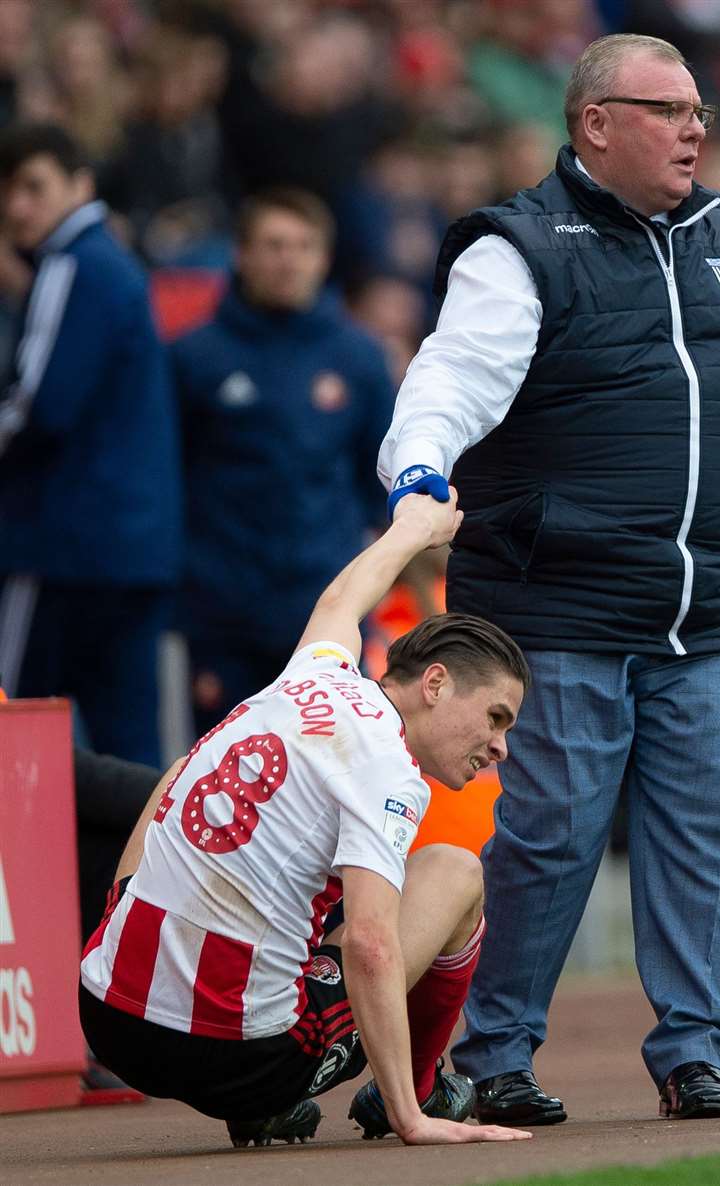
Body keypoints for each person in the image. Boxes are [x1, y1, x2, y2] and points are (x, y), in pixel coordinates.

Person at [378, 33, 720, 1125]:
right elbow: (449, 378)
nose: (695, 130)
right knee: (548, 830)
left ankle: (694, 1049)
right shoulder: (520, 246)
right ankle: (489, 1052)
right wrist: (420, 467)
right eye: (668, 110)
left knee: (710, 828)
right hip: (555, 601)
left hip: (713, 599)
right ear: (594, 123)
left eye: (699, 113)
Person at [79, 489, 533, 1148]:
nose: (501, 747)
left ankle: (139, 954)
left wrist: (414, 526)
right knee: (456, 873)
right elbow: (368, 946)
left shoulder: (313, 673)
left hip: (107, 1016)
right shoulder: (390, 771)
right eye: (496, 718)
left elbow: (341, 600)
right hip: (240, 1058)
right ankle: (418, 1090)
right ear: (434, 685)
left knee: (180, 772)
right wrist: (412, 1123)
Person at [171, 187, 395, 736]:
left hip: (326, 612)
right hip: (222, 613)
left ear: (324, 258)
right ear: (242, 254)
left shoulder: (358, 357)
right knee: (219, 775)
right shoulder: (193, 356)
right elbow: (164, 478)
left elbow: (381, 475)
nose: (288, 259)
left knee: (329, 771)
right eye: (273, 245)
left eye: (303, 245)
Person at [0, 122, 180, 766]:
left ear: (80, 185)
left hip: (60, 548)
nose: (17, 206)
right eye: (7, 190)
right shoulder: (116, 266)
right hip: (133, 551)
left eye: (34, 187)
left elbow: (40, 406)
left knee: (15, 726)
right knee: (129, 748)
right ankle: (133, 872)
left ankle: (15, 872)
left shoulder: (71, 262)